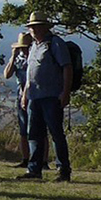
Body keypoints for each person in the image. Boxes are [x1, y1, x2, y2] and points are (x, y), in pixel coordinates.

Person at [18, 15, 75, 182]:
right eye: (31, 27)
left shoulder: (55, 43)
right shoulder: (34, 46)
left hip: (51, 97)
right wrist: (25, 94)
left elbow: (67, 68)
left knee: (56, 133)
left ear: (45, 27)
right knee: (34, 134)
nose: (33, 29)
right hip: (35, 97)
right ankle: (34, 169)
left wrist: (65, 92)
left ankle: (63, 169)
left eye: (36, 26)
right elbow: (30, 73)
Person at [2, 31, 34, 166]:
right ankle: (26, 159)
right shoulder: (18, 58)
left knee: (37, 130)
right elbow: (7, 74)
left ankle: (41, 160)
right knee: (23, 129)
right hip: (20, 96)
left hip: (35, 96)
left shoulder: (34, 57)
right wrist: (13, 56)